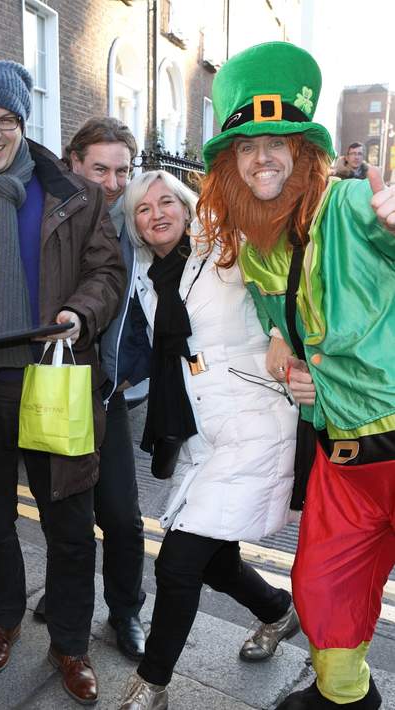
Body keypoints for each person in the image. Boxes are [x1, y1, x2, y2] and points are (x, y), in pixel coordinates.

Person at [198, 41, 395, 709]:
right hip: (343, 459)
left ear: (305, 152)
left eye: (278, 141)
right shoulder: (256, 247)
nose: (262, 157)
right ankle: (346, 697)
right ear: (230, 163)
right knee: (318, 592)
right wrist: (284, 360)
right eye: (247, 146)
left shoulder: (345, 206)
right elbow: (280, 329)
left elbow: (386, 232)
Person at [0, 60, 125, 706]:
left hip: (54, 382)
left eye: (4, 120)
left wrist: (80, 314)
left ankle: (70, 643)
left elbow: (108, 275)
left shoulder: (73, 192)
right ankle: (4, 618)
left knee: (69, 525)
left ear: (22, 120)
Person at [116, 170, 299, 710]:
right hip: (201, 435)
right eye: (143, 210)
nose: (157, 214)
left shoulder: (225, 247)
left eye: (166, 201)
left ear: (187, 205)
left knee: (177, 563)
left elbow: (288, 282)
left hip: (254, 421)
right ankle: (276, 610)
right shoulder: (146, 279)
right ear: (136, 225)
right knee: (213, 560)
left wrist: (279, 333)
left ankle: (152, 683)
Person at [38, 117, 148, 661]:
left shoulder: (141, 224)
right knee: (66, 512)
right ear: (73, 164)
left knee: (124, 516)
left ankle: (125, 611)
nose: (111, 182)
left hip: (111, 393)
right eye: (99, 168)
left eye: (122, 170)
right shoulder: (53, 217)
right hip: (61, 389)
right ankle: (63, 595)